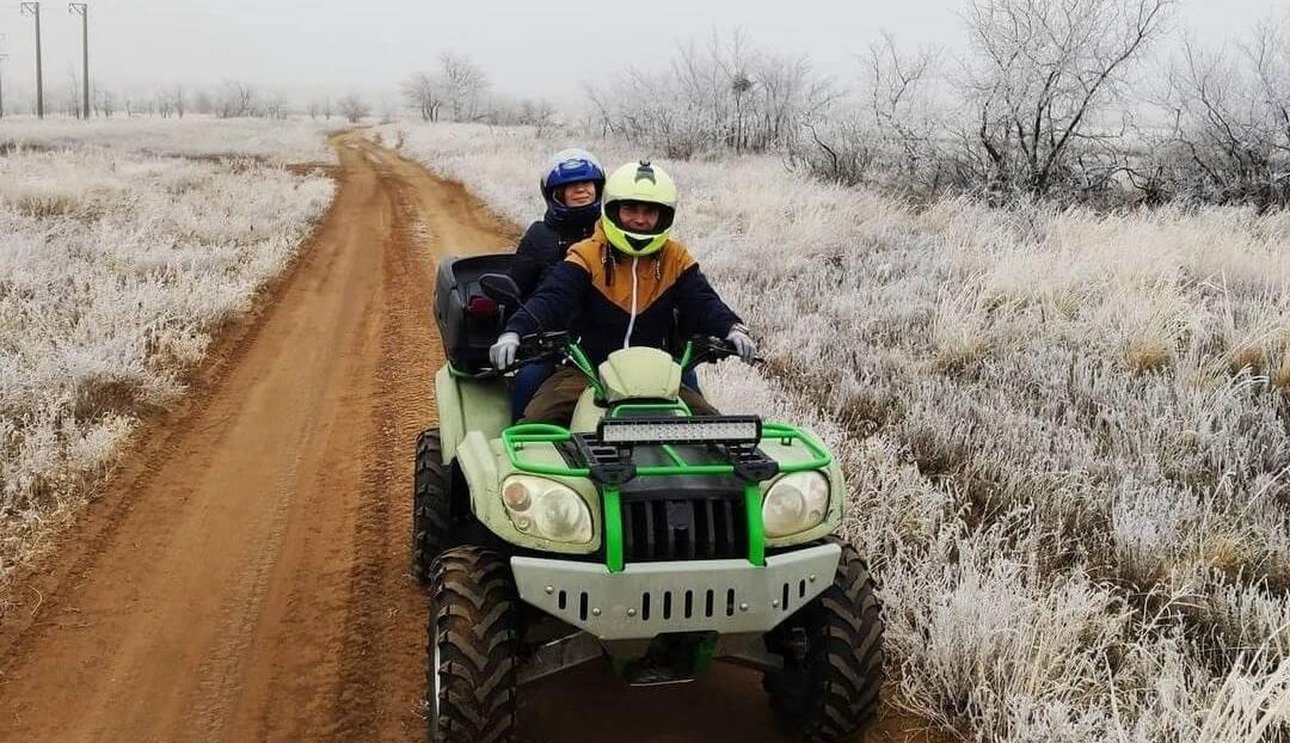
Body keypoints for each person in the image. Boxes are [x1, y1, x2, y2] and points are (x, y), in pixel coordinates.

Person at [490, 160, 756, 426]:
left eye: (650, 211)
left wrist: (732, 328)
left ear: (664, 216)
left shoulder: (676, 257)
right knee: (535, 426)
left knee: (715, 430)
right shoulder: (587, 254)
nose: (640, 219)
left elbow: (703, 300)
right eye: (630, 209)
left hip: (657, 376)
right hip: (587, 373)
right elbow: (551, 298)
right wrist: (515, 331)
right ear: (613, 210)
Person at [506, 148, 606, 420]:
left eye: (586, 184)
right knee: (528, 378)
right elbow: (516, 289)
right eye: (571, 186)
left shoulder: (614, 232)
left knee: (683, 378)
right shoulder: (540, 236)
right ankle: (513, 442)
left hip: (610, 342)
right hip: (554, 346)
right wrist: (521, 330)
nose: (581, 190)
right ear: (555, 194)